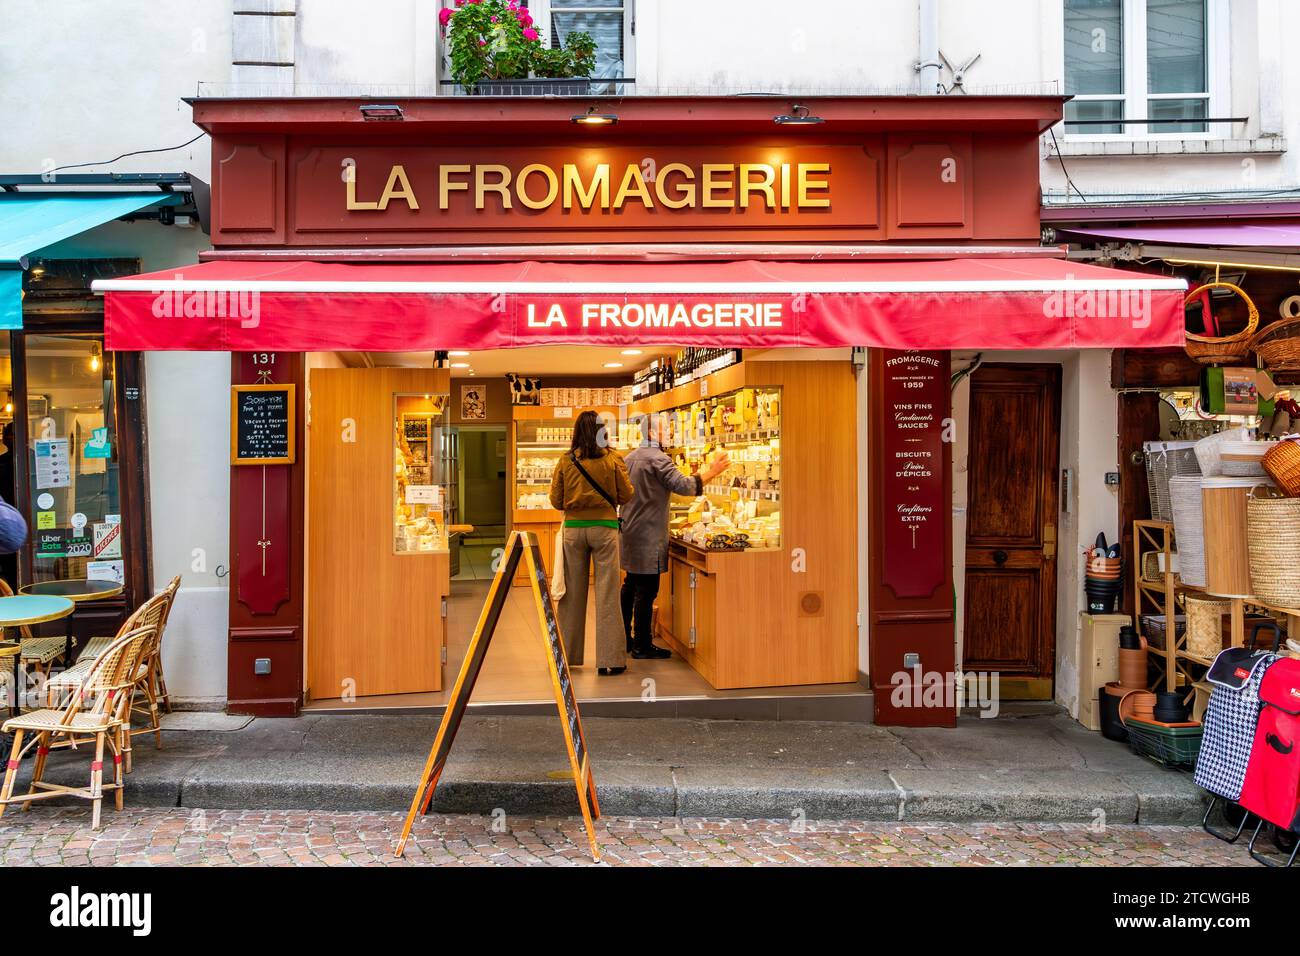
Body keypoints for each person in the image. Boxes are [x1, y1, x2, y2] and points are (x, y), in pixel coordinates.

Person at [620, 412, 729, 660]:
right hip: (649, 534)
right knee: (646, 590)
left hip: (629, 531)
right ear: (650, 433)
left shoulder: (629, 459)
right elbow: (686, 487)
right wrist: (712, 471)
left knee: (630, 585)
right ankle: (642, 645)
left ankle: (624, 637)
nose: (670, 433)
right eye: (665, 429)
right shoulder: (659, 460)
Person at [548, 411, 633, 675]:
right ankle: (610, 660)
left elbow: (556, 500)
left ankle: (567, 655)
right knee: (607, 593)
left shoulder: (566, 461)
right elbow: (626, 494)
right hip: (605, 529)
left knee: (572, 593)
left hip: (574, 530)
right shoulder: (613, 459)